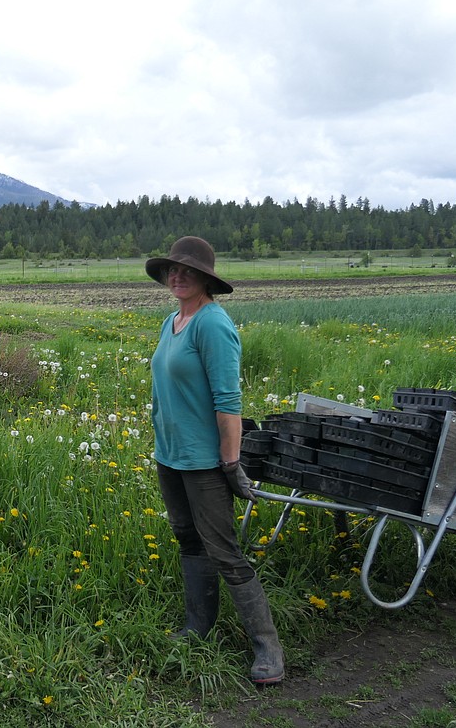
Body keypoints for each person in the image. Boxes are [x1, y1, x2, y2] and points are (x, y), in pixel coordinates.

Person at [146, 236, 284, 685]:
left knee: (224, 549)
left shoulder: (213, 325)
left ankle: (268, 647)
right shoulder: (173, 321)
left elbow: (229, 401)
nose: (177, 275)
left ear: (206, 278)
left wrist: (230, 463)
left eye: (187, 270)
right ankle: (197, 626)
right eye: (172, 269)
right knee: (188, 539)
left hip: (205, 462)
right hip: (171, 455)